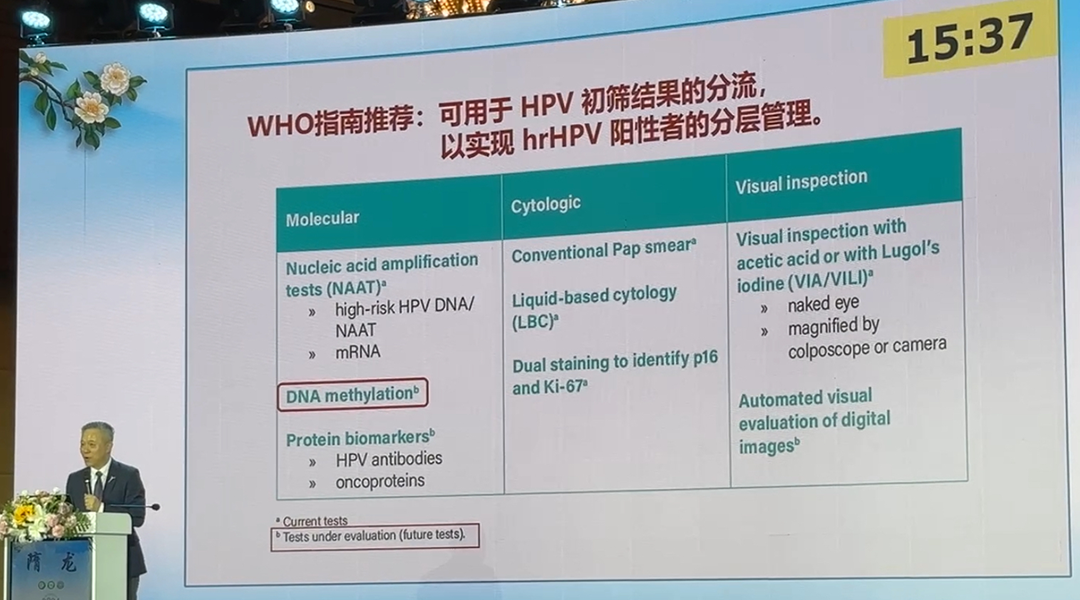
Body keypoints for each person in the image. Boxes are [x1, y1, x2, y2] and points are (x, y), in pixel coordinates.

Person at [65, 421, 147, 600]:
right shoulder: (75, 479)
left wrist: (101, 508)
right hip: (83, 563)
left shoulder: (128, 475)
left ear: (108, 446)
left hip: (123, 561)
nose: (85, 450)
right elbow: (69, 519)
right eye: (82, 444)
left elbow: (137, 517)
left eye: (91, 444)